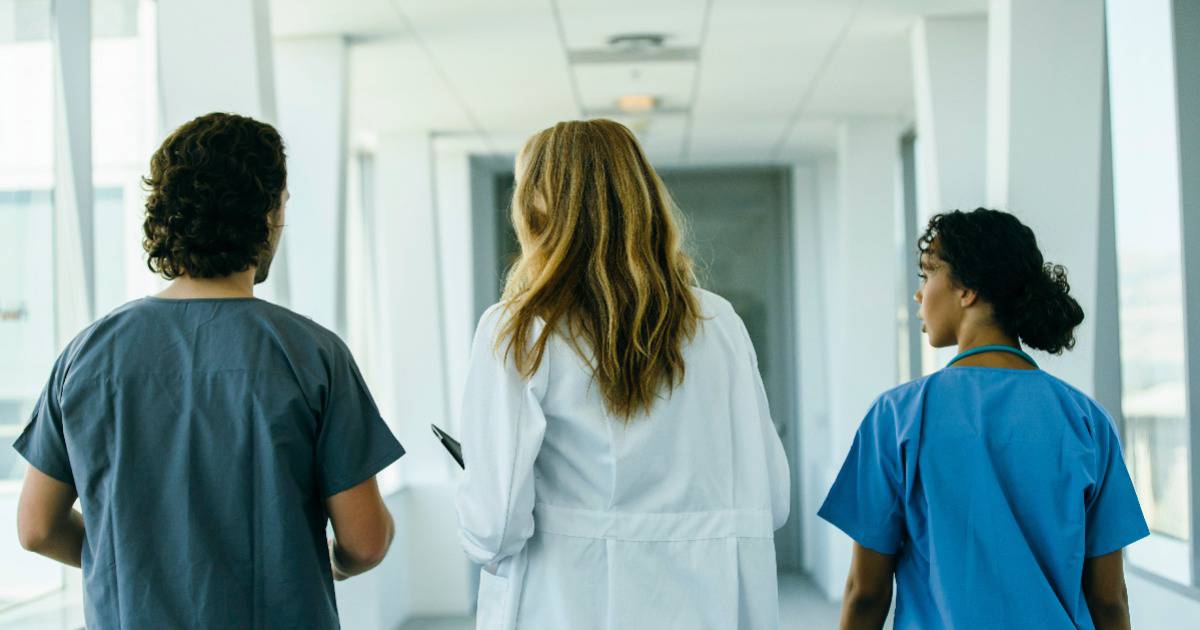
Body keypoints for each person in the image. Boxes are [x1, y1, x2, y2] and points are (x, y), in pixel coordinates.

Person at [13, 112, 404, 629]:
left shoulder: (86, 357)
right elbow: (366, 540)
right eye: (283, 207)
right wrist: (337, 563)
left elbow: (37, 528)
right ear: (265, 215)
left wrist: (130, 564)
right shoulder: (313, 356)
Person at [454, 119, 791, 630]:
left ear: (537, 209)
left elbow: (494, 525)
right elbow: (773, 499)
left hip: (563, 603)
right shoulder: (719, 323)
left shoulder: (522, 329)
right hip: (705, 605)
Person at [818, 208, 1149, 630]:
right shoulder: (1086, 422)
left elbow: (866, 593)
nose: (919, 295)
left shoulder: (898, 417)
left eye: (927, 274)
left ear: (967, 290)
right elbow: (1109, 599)